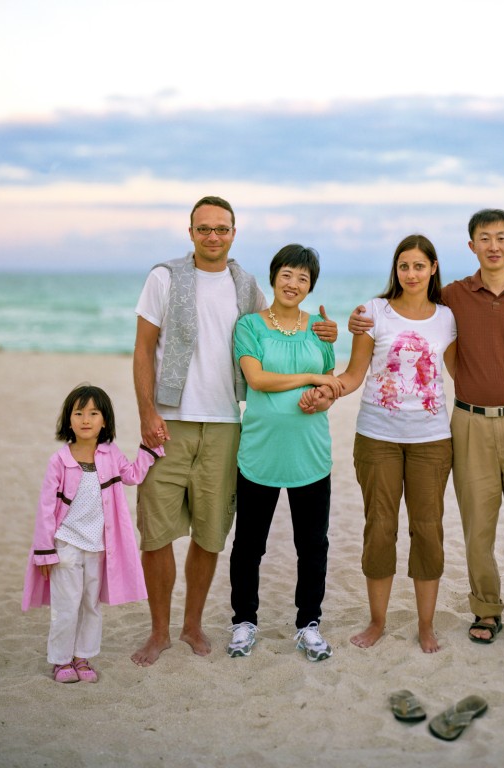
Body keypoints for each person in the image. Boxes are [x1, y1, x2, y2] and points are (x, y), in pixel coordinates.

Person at [131, 196, 337, 664]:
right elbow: (143, 350)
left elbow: (287, 329)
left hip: (227, 424)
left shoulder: (246, 287)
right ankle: (158, 631)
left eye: (221, 228)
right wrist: (146, 412)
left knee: (210, 532)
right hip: (171, 420)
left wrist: (330, 337)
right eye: (203, 228)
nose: (212, 236)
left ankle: (192, 626)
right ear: (190, 233)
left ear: (234, 233)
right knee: (157, 532)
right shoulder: (163, 277)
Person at [350, 209, 504, 658]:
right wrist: (351, 326)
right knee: (476, 527)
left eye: (500, 237)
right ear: (471, 247)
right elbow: (413, 325)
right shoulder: (452, 298)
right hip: (464, 422)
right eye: (483, 238)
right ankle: (486, 610)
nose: (492, 245)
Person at [303, 234, 457, 653]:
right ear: (396, 269)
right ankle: (377, 621)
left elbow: (467, 372)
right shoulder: (373, 313)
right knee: (380, 529)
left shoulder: (446, 317)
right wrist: (329, 390)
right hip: (377, 439)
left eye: (419, 266)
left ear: (433, 268)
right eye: (404, 266)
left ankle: (426, 625)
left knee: (428, 531)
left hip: (431, 441)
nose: (411, 273)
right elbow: (354, 374)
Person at [226, 244, 342, 662]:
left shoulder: (321, 330)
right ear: (274, 276)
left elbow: (330, 387)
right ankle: (244, 621)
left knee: (312, 546)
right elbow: (256, 379)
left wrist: (320, 396)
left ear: (311, 286)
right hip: (259, 453)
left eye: (303, 278)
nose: (294, 284)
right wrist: (310, 375)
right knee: (248, 545)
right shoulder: (250, 327)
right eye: (288, 274)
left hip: (310, 454)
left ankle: (308, 624)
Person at [22, 384, 163, 682]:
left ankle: (82, 659)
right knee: (66, 606)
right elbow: (46, 509)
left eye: (93, 413)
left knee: (91, 605)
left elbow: (133, 475)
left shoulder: (110, 455)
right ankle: (61, 662)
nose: (86, 419)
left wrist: (151, 448)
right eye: (79, 413)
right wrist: (45, 551)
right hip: (66, 545)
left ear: (104, 421)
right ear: (68, 420)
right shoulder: (59, 461)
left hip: (98, 547)